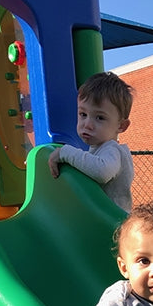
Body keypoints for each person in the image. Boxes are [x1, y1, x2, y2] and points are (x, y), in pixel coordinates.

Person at [49, 71, 134, 212]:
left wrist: (65, 152)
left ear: (121, 126)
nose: (87, 124)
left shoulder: (112, 149)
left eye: (100, 118)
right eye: (83, 114)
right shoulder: (97, 150)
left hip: (112, 226)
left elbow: (102, 172)